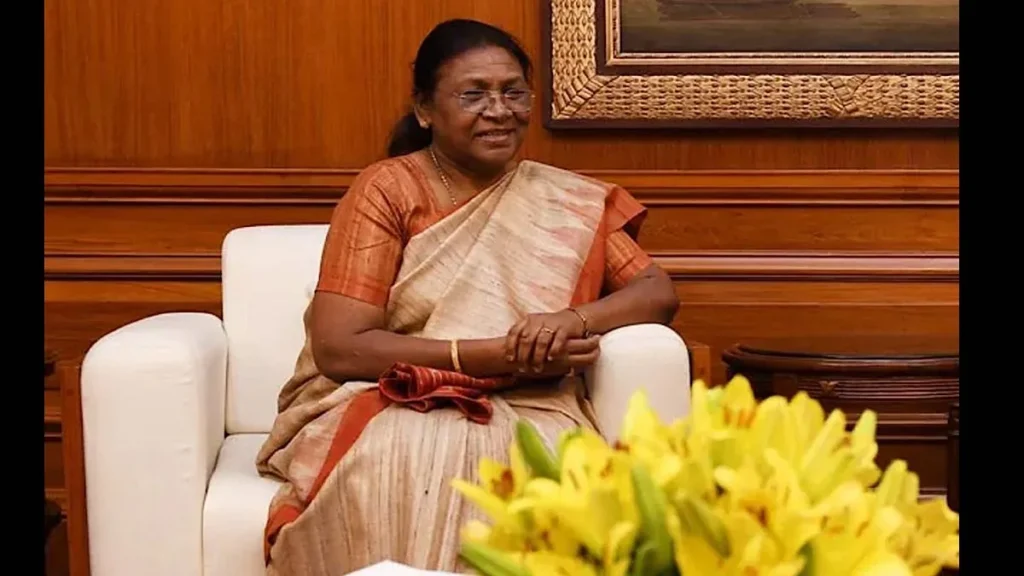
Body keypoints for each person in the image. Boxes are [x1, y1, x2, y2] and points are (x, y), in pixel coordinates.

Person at [255, 18, 680, 575]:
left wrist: (571, 319)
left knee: (542, 465)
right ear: (425, 110)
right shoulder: (388, 189)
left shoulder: (562, 199)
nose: (499, 110)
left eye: (513, 92)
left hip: (529, 400)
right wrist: (492, 357)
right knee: (407, 458)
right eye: (473, 94)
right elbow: (339, 346)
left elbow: (657, 291)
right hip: (393, 395)